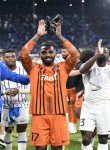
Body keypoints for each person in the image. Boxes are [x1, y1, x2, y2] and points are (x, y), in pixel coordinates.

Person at [19, 20, 79, 150]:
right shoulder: (33, 68)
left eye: (50, 52)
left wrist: (60, 36)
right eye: (44, 52)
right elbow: (23, 55)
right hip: (39, 115)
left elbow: (75, 54)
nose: (47, 55)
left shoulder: (63, 67)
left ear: (55, 54)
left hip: (59, 115)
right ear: (40, 54)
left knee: (57, 148)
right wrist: (37, 36)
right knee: (40, 148)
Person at [79, 39, 110, 150]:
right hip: (88, 106)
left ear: (108, 56)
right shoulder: (89, 67)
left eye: (104, 51)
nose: (101, 52)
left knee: (103, 139)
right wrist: (96, 55)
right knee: (86, 139)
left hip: (104, 105)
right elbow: (82, 70)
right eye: (98, 50)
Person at [0, 50, 30, 150]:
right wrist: (4, 92)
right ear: (3, 58)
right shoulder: (1, 68)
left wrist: (19, 91)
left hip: (22, 104)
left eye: (12, 56)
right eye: (7, 57)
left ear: (15, 57)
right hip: (6, 105)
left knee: (22, 130)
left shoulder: (24, 68)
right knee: (8, 130)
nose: (10, 59)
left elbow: (32, 87)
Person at [61, 48, 78, 134]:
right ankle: (69, 124)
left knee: (72, 108)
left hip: (74, 89)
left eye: (64, 52)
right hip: (64, 89)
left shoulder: (76, 62)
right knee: (66, 108)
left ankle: (73, 125)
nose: (62, 53)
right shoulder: (62, 63)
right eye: (61, 52)